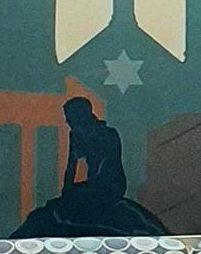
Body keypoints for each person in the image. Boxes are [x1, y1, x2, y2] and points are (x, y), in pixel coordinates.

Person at [12, 96, 167, 237]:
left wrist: (87, 189)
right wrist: (67, 188)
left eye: (69, 116)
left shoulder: (108, 134)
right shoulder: (75, 135)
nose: (67, 121)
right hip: (92, 184)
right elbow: (71, 164)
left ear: (81, 115)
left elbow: (105, 165)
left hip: (110, 185)